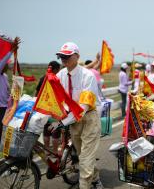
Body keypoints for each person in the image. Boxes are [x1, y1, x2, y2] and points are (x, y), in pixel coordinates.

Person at [49, 42, 103, 189]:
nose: (63, 59)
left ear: (77, 56)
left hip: (89, 119)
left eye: (67, 55)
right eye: (61, 56)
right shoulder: (60, 75)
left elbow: (83, 108)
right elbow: (53, 99)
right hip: (73, 122)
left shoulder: (88, 76)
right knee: (83, 156)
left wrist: (62, 123)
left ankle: (84, 186)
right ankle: (96, 179)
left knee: (85, 159)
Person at [35, 61, 61, 155]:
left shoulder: (43, 78)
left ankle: (47, 150)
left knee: (46, 130)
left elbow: (37, 93)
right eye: (58, 69)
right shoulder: (55, 78)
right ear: (55, 69)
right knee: (55, 130)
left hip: (43, 108)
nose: (59, 71)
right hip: (54, 108)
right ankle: (54, 151)